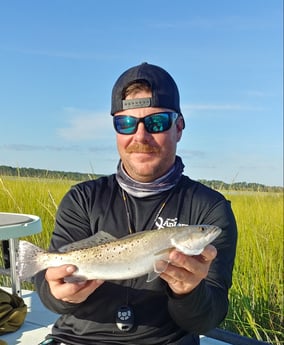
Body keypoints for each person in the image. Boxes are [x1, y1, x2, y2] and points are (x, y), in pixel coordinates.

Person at [35, 62, 237, 345]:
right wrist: (56, 292)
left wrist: (189, 292)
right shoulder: (82, 198)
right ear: (116, 129)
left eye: (157, 123)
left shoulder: (210, 208)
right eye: (126, 123)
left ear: (178, 128)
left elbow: (209, 317)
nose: (140, 136)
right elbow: (48, 287)